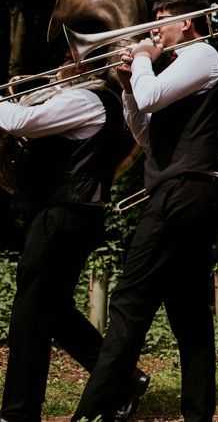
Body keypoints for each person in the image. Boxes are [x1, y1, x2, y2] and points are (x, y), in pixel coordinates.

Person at [72, 0, 218, 422]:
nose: (153, 30)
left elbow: (152, 96)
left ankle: (93, 411)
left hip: (187, 192)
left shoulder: (203, 54)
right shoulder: (178, 70)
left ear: (189, 22)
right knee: (189, 312)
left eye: (162, 20)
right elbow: (147, 136)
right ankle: (198, 414)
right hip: (183, 191)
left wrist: (141, 60)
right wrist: (127, 86)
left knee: (129, 300)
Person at [0, 52, 148, 422]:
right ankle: (123, 379)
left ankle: (19, 412)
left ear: (86, 67)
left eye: (68, 59)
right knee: (54, 311)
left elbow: (20, 121)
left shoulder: (84, 99)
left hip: (63, 214)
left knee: (30, 314)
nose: (58, 67)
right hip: (69, 214)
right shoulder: (93, 100)